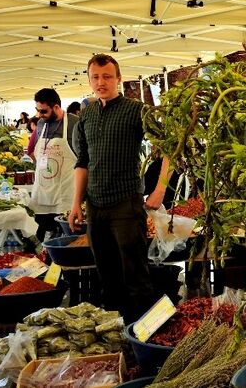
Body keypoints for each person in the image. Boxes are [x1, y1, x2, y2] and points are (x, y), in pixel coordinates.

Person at [69, 54, 170, 321]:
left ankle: (145, 333)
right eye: (95, 77)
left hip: (126, 203)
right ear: (89, 79)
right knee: (107, 275)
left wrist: (160, 189)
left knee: (135, 274)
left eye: (107, 76)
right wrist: (75, 203)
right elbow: (83, 162)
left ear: (118, 79)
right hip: (95, 206)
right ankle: (117, 333)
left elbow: (170, 147)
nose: (101, 82)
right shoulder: (87, 115)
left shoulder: (136, 110)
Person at [29, 88, 79, 245]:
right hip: (42, 191)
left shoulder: (75, 124)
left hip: (65, 193)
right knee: (42, 234)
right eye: (37, 110)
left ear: (56, 107)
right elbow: (34, 151)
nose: (39, 115)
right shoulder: (42, 124)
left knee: (66, 238)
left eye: (43, 111)